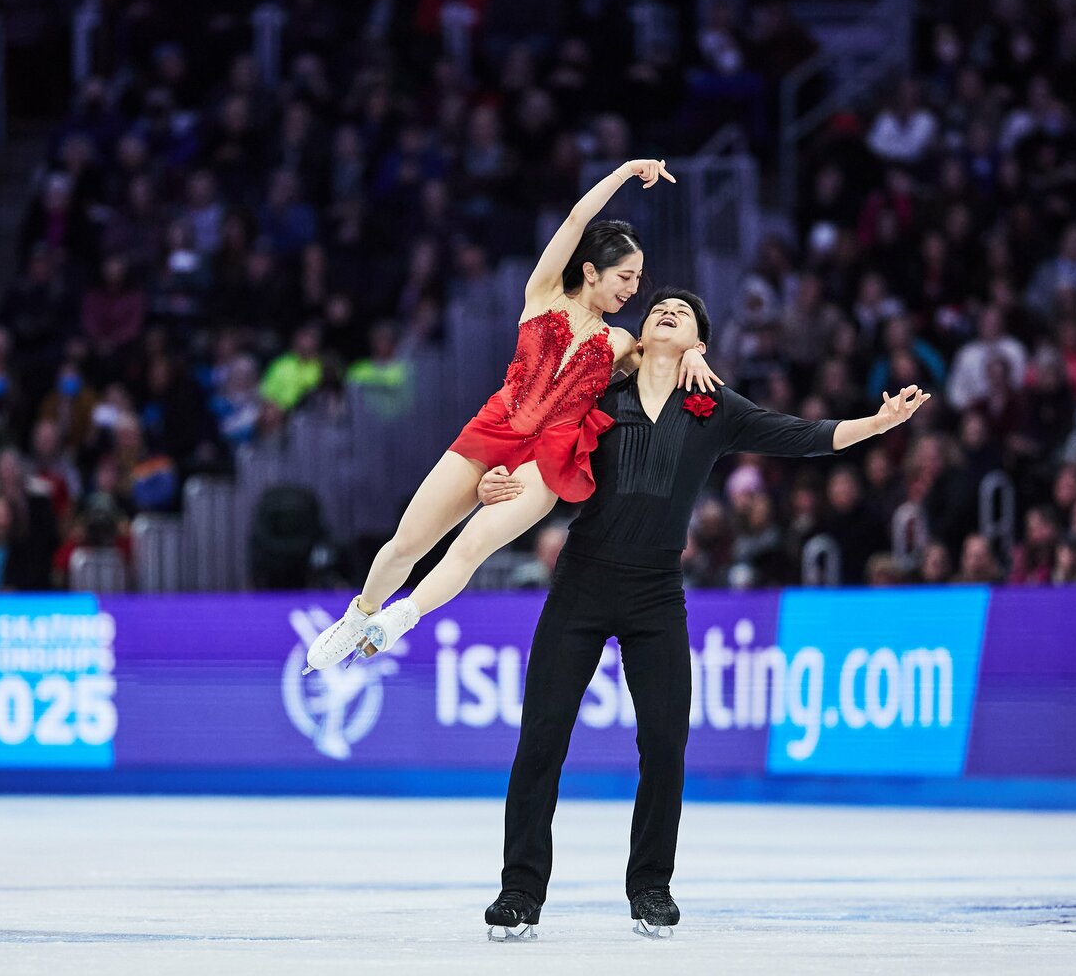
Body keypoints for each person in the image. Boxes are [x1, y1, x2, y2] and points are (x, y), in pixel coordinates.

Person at [481, 288, 930, 941]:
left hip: (655, 595)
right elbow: (532, 437)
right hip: (580, 585)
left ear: (700, 343)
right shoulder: (600, 390)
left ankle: (651, 887)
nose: (664, 309)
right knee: (541, 740)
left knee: (664, 744)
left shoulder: (712, 407)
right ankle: (520, 889)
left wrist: (877, 423)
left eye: (681, 311)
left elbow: (800, 435)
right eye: (656, 306)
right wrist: (494, 478)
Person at [305, 160, 719, 671]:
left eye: (638, 279)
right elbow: (572, 222)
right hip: (495, 427)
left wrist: (695, 351)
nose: (634, 289)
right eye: (626, 276)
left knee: (471, 546)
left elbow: (668, 355)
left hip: (549, 454)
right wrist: (623, 173)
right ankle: (358, 615)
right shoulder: (541, 294)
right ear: (591, 270)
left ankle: (397, 620)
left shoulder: (620, 343)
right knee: (407, 543)